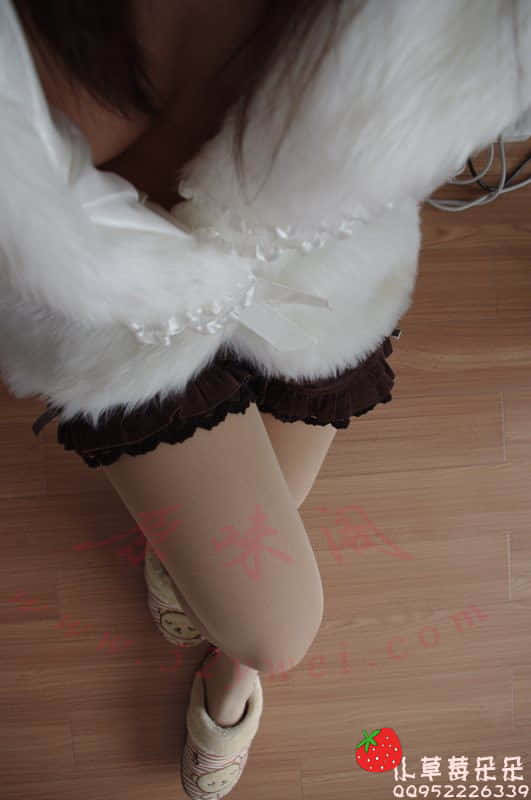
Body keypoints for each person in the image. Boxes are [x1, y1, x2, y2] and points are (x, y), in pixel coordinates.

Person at [1, 1, 530, 797]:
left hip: (318, 281)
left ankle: (206, 608)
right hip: (123, 341)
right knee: (275, 630)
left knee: (269, 522)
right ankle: (227, 641)